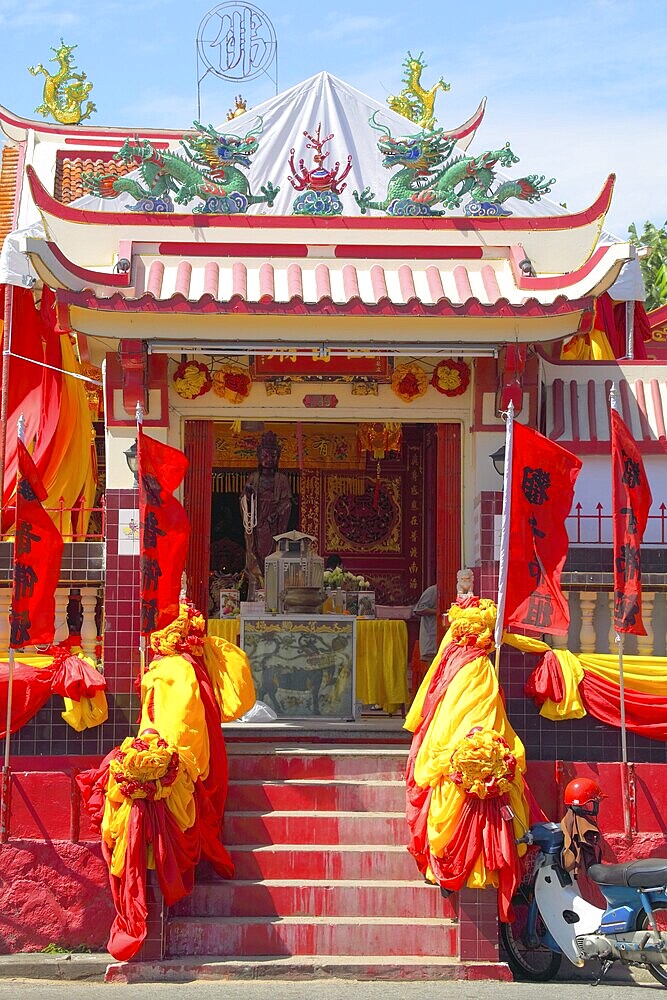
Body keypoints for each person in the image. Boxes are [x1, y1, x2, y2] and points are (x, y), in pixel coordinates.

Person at [240, 431, 292, 590]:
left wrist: (276, 514)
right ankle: (256, 585)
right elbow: (243, 500)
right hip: (256, 523)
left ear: (278, 458)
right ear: (259, 456)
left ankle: (273, 587)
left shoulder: (281, 479)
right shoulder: (254, 478)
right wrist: (248, 497)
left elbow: (287, 502)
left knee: (273, 555)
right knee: (254, 552)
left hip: (273, 525)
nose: (269, 460)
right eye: (265, 456)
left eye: (273, 456)